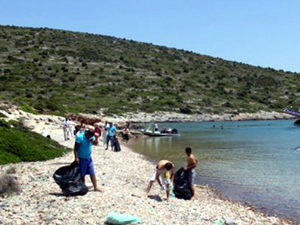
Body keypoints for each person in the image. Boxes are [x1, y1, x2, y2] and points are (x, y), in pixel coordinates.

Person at [73, 127, 102, 192]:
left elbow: (95, 143)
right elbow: (75, 148)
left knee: (92, 172)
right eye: (89, 136)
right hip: (81, 157)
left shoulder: (91, 137)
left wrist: (96, 138)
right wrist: (76, 157)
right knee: (82, 174)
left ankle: (95, 187)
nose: (90, 138)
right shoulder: (80, 137)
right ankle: (83, 187)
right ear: (87, 133)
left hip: (88, 157)